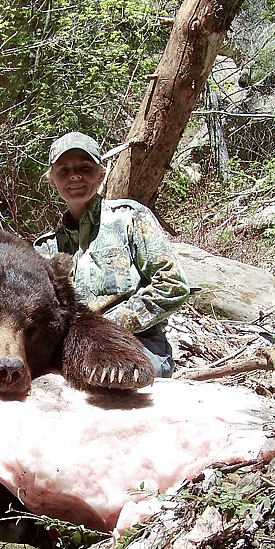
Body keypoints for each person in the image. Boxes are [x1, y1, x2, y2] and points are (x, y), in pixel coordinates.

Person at [34, 132, 191, 378]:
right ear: (53, 182)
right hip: (71, 350)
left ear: (101, 175)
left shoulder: (130, 218)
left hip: (136, 343)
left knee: (117, 383)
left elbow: (173, 286)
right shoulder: (46, 248)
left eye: (85, 168)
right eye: (64, 171)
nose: (75, 176)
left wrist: (106, 328)